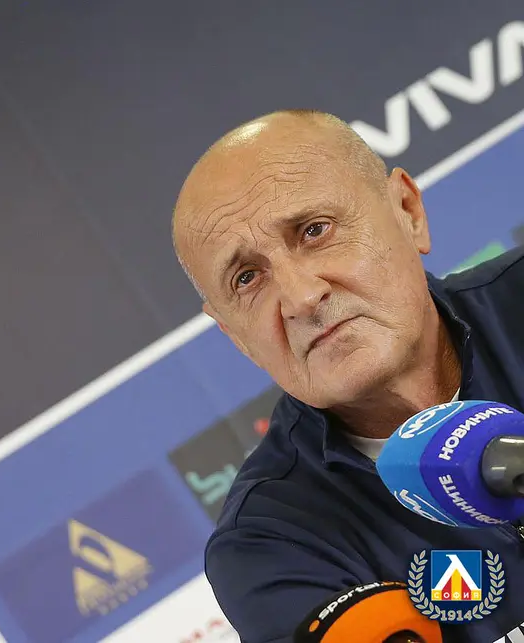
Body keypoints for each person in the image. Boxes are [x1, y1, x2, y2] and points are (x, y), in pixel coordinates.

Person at [170, 110, 524, 643]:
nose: (301, 297)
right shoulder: (272, 543)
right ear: (233, 334)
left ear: (408, 211)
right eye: (247, 278)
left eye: (314, 231)